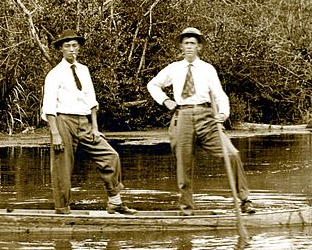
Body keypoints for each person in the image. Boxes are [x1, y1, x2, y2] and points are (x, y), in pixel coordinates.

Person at [146, 27, 255, 216]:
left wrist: (223, 114)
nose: (189, 47)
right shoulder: (174, 68)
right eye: (186, 43)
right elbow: (152, 84)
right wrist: (166, 101)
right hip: (183, 116)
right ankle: (186, 209)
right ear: (181, 46)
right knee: (184, 164)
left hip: (206, 116)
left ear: (199, 47)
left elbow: (220, 94)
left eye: (193, 43)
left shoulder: (207, 69)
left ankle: (245, 200)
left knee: (232, 154)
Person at [42, 29, 136, 215]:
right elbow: (49, 107)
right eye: (67, 46)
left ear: (79, 48)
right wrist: (55, 134)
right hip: (62, 121)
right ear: (61, 49)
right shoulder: (54, 74)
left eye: (74, 46)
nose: (71, 49)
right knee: (62, 167)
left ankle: (115, 201)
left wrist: (95, 127)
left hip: (83, 122)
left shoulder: (84, 70)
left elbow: (91, 101)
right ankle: (62, 209)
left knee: (110, 156)